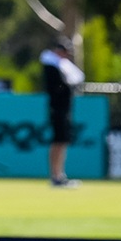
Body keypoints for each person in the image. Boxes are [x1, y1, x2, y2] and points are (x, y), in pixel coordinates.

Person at [40, 45, 82, 187]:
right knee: (58, 141)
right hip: (58, 110)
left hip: (63, 109)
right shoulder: (51, 67)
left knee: (62, 142)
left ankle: (59, 175)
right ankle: (56, 175)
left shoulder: (60, 66)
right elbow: (59, 87)